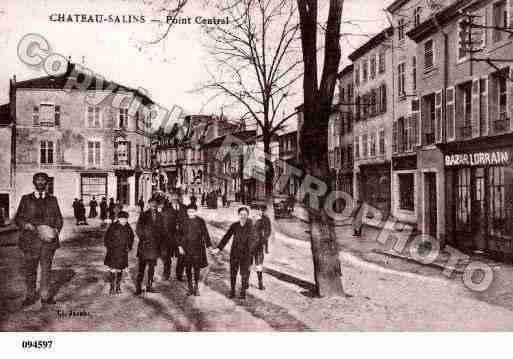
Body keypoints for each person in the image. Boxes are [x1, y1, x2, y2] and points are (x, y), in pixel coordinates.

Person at [15, 172, 63, 306]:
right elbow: (18, 218)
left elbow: (59, 218)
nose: (41, 182)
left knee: (46, 270)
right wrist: (25, 225)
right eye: (38, 180)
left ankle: (45, 296)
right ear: (34, 182)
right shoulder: (25, 199)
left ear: (47, 183)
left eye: (43, 180)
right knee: (30, 270)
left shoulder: (53, 199)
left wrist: (55, 230)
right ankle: (30, 296)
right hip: (30, 241)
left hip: (48, 243)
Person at [211, 207, 256, 300]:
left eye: (245, 215)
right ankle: (232, 290)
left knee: (244, 274)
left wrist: (252, 255)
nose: (243, 216)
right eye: (241, 214)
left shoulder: (251, 227)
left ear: (247, 216)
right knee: (233, 273)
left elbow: (254, 241)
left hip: (246, 255)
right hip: (235, 253)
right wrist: (219, 248)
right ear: (238, 215)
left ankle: (243, 292)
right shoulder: (234, 225)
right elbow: (226, 237)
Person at [135, 196, 166, 295]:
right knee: (141, 268)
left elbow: (162, 230)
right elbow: (138, 229)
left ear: (157, 205)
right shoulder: (143, 215)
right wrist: (143, 237)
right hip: (144, 245)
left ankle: (149, 285)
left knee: (152, 268)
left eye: (155, 204)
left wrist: (160, 242)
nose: (153, 206)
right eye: (151, 204)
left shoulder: (160, 216)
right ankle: (138, 287)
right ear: (148, 204)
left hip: (154, 246)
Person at [179, 206, 212, 296]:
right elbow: (179, 235)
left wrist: (209, 245)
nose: (191, 213)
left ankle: (196, 287)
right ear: (187, 212)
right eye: (189, 211)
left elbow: (205, 233)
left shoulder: (200, 221)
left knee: (196, 268)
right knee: (188, 268)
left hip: (198, 248)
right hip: (186, 248)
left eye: (192, 211)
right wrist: (180, 247)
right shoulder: (183, 221)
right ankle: (190, 287)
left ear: (196, 211)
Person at [103, 211, 134, 295]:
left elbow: (131, 237)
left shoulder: (128, 227)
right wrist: (110, 247)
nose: (124, 221)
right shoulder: (113, 226)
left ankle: (118, 287)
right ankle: (112, 288)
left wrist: (129, 246)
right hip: (113, 252)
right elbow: (107, 238)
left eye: (126, 219)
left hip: (123, 252)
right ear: (119, 219)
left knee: (120, 270)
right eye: (122, 219)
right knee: (113, 270)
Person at [161, 191, 187, 281]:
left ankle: (179, 274)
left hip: (181, 237)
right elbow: (163, 223)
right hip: (169, 236)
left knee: (182, 256)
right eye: (173, 198)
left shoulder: (184, 208)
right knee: (166, 257)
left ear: (179, 198)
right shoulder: (166, 208)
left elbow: (186, 222)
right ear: (170, 199)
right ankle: (166, 273)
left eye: (176, 198)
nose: (175, 200)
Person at [252, 205, 272, 290]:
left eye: (261, 210)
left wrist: (264, 242)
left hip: (258, 244)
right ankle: (246, 282)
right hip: (252, 244)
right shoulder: (254, 218)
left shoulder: (265, 219)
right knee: (250, 262)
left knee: (258, 263)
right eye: (258, 209)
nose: (259, 211)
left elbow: (267, 232)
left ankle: (260, 283)